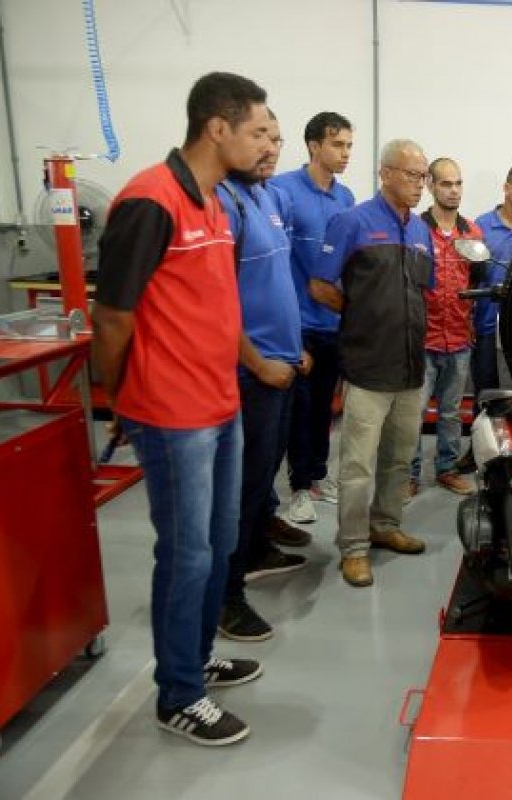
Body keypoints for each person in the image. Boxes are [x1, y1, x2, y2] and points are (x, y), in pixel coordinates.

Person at [92, 72, 271, 745]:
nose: (265, 144)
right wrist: (123, 400)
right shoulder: (150, 200)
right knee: (188, 554)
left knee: (220, 545)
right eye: (257, 130)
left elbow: (217, 308)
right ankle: (178, 694)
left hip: (219, 404)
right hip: (172, 415)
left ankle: (196, 659)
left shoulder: (216, 202)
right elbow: (112, 319)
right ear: (217, 128)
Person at [309, 139, 434, 588]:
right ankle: (354, 548)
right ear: (385, 174)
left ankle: (385, 525)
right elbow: (321, 285)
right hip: (367, 367)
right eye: (411, 175)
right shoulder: (352, 221)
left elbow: (423, 292)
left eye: (423, 177)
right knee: (358, 465)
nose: (420, 185)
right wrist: (358, 311)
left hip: (410, 369)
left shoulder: (421, 231)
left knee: (399, 458)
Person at [215, 110, 309, 643]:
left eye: (276, 138)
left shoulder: (267, 198)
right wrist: (258, 363)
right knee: (240, 490)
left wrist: (294, 352)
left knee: (261, 479)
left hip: (282, 364)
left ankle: (253, 551)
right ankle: (228, 596)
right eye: (260, 137)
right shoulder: (223, 204)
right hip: (250, 374)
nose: (271, 147)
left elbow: (277, 279)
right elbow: (218, 307)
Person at [271, 112, 356, 526]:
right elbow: (275, 263)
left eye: (349, 146)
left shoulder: (346, 198)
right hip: (298, 323)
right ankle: (299, 488)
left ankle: (318, 478)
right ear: (313, 145)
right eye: (338, 145)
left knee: (325, 407)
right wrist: (286, 329)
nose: (345, 154)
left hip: (334, 322)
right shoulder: (282, 191)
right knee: (299, 410)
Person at [455, 164, 512, 472]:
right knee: (485, 393)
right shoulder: (481, 226)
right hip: (487, 325)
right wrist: (466, 318)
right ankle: (477, 450)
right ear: (507, 188)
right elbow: (469, 278)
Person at [410, 157, 481, 497]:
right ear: (430, 186)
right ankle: (408, 476)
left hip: (459, 340)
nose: (454, 191)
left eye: (458, 183)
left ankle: (447, 469)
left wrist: (470, 326)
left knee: (451, 413)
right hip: (423, 339)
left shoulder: (472, 233)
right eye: (445, 184)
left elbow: (477, 282)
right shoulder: (415, 229)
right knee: (414, 411)